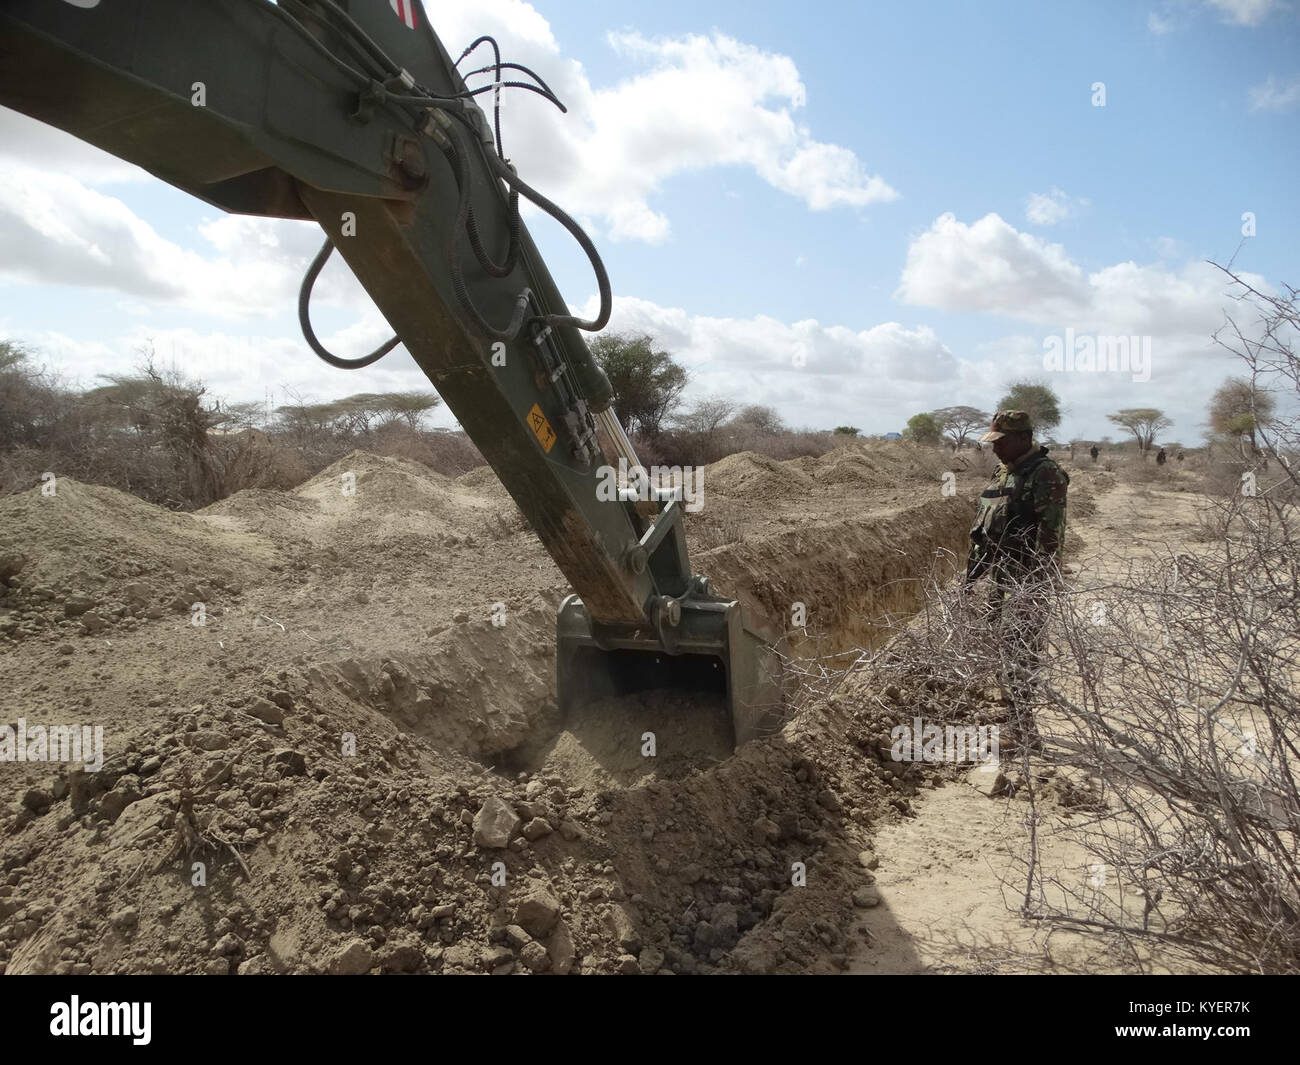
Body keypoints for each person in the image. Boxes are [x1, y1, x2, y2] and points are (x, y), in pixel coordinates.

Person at [966, 410, 1069, 755]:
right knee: (1002, 647)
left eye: (1001, 442)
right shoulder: (1004, 471)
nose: (995, 449)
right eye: (993, 442)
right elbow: (987, 525)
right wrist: (973, 575)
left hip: (1026, 579)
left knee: (1019, 651)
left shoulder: (1045, 474)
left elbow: (1051, 534)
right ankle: (1014, 719)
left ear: (1023, 439)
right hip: (1000, 574)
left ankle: (1023, 731)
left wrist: (1034, 586)